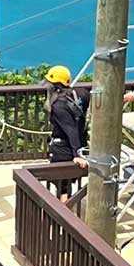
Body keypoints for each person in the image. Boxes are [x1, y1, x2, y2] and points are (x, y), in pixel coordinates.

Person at [44, 65, 88, 199]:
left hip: (63, 148)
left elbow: (70, 129)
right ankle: (66, 210)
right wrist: (123, 97)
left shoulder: (58, 105)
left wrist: (77, 154)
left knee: (62, 185)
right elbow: (100, 99)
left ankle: (63, 215)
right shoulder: (81, 94)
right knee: (66, 184)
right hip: (81, 143)